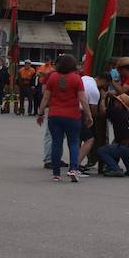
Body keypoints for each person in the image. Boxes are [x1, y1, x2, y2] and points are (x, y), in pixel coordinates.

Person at [36, 54, 93, 183]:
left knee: (56, 143)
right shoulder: (77, 79)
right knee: (73, 143)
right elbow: (82, 99)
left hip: (55, 115)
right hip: (72, 115)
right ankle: (73, 169)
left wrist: (40, 113)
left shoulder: (52, 77)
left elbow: (45, 97)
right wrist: (89, 115)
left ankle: (56, 173)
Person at [97, 93, 129, 176]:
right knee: (120, 147)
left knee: (101, 151)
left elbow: (103, 110)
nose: (114, 103)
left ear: (121, 104)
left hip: (126, 146)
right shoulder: (127, 113)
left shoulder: (117, 112)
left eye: (117, 101)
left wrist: (102, 98)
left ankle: (115, 169)